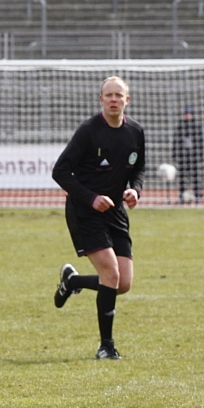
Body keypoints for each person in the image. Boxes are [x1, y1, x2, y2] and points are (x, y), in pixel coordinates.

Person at [52, 76, 145, 360]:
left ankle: (73, 282)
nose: (114, 99)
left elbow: (138, 170)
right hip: (85, 211)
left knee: (123, 283)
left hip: (115, 212)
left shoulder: (135, 132)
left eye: (119, 95)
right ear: (101, 99)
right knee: (111, 274)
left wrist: (135, 190)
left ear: (127, 100)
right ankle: (106, 346)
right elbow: (60, 171)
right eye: (109, 95)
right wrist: (91, 197)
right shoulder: (88, 131)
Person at [172, 105, 203, 203]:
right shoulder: (180, 127)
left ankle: (197, 195)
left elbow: (200, 142)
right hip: (183, 155)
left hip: (193, 155)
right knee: (182, 176)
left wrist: (200, 154)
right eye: (186, 113)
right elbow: (176, 141)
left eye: (189, 113)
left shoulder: (196, 127)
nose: (187, 115)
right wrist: (175, 154)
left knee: (195, 176)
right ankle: (182, 195)